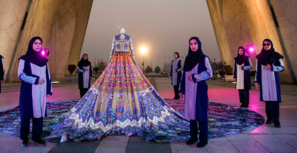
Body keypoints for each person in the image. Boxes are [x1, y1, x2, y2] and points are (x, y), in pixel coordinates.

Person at [47, 28, 190, 142]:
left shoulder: (116, 40)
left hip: (117, 62)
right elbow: (132, 52)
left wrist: (111, 62)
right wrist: (132, 61)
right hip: (126, 62)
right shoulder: (127, 40)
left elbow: (112, 51)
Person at [18, 36, 52, 147]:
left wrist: (48, 89)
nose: (38, 45)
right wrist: (36, 80)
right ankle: (24, 138)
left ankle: (37, 137)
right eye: (35, 43)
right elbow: (21, 74)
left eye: (39, 43)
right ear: (31, 44)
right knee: (27, 114)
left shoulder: (44, 61)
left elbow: (48, 76)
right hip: (28, 91)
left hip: (41, 92)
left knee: (39, 114)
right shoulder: (24, 59)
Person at [179, 37, 213, 148]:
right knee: (191, 115)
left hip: (199, 91)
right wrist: (181, 90)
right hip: (189, 91)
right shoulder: (187, 59)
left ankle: (204, 138)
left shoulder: (203, 58)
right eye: (191, 44)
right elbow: (184, 76)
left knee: (201, 114)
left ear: (199, 44)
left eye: (195, 43)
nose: (193, 46)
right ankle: (193, 137)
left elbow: (209, 73)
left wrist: (196, 77)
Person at [255, 39, 284, 128]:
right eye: (264, 44)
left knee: (275, 100)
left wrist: (272, 67)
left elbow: (282, 68)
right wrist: (257, 81)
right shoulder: (259, 57)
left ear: (271, 45)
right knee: (267, 101)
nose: (266, 46)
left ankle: (276, 121)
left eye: (268, 44)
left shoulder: (276, 56)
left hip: (274, 81)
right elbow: (257, 70)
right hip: (264, 81)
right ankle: (269, 118)